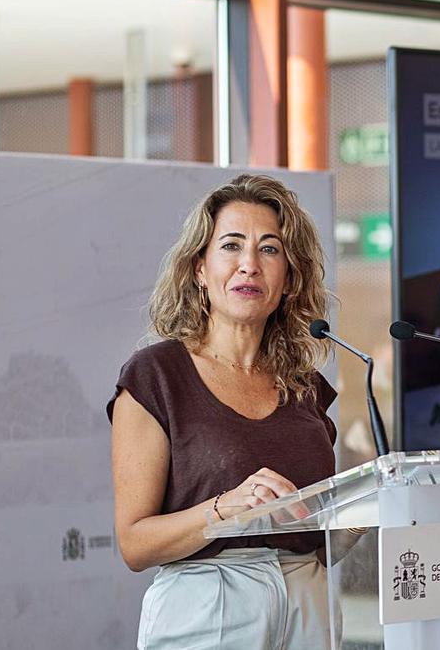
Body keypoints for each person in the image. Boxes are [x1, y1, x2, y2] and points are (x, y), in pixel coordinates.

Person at [107, 174, 344, 649]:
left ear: (289, 277)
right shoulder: (158, 375)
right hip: (208, 610)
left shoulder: (305, 387)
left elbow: (322, 533)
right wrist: (224, 509)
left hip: (309, 606)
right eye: (231, 246)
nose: (250, 265)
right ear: (199, 268)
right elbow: (135, 544)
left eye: (270, 249)